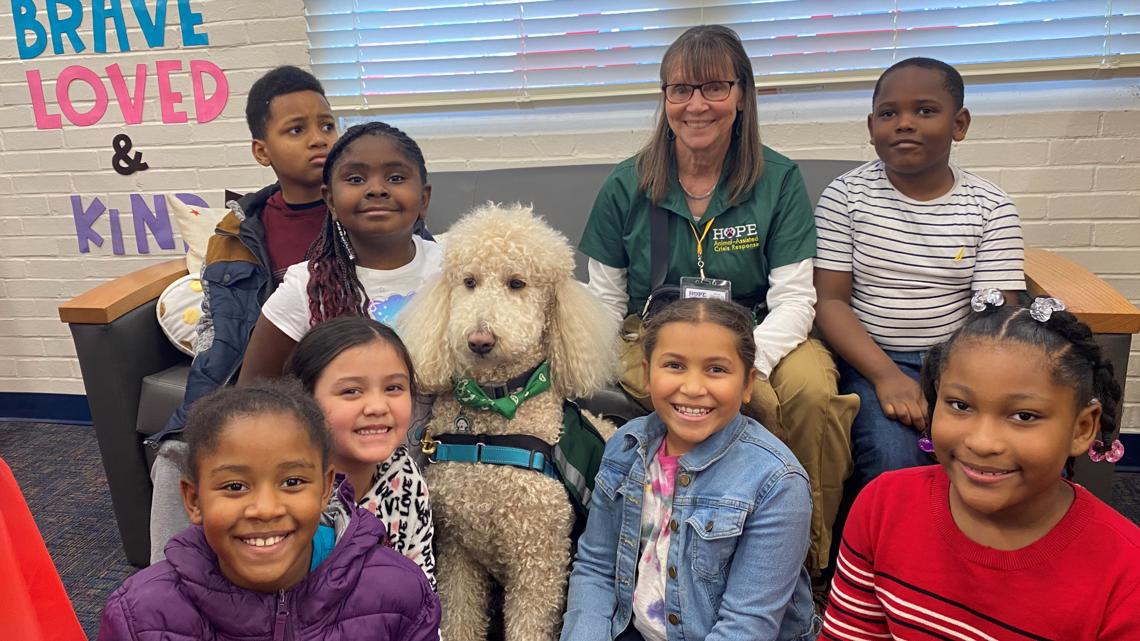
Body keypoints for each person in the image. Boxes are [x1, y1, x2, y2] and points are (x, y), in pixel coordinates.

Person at [579, 24, 856, 576]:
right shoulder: (625, 185)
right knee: (726, 396)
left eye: (714, 88)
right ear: (665, 100)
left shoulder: (778, 180)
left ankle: (805, 561)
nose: (695, 105)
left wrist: (750, 365)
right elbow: (603, 303)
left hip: (763, 327)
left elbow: (798, 299)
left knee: (811, 394)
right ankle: (697, 552)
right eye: (680, 90)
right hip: (656, 334)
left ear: (742, 95)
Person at [821, 298, 1140, 640]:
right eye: (960, 405)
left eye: (1024, 416)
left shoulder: (1125, 575)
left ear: (1081, 429)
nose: (983, 442)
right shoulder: (883, 506)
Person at [146, 65, 340, 564]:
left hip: (332, 387)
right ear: (262, 150)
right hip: (249, 386)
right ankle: (174, 586)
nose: (318, 139)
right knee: (174, 457)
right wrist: (206, 409)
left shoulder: (367, 210)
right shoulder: (234, 231)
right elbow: (216, 331)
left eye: (327, 125)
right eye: (296, 130)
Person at [814, 57, 1025, 491]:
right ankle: (882, 552)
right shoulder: (845, 197)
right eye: (889, 114)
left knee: (1001, 449)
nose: (904, 123)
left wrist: (955, 386)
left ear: (959, 123)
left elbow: (997, 315)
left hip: (960, 361)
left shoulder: (990, 206)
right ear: (872, 126)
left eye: (925, 111)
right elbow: (830, 301)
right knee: (893, 459)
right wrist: (886, 376)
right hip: (870, 360)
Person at [98, 381, 441, 641]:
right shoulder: (139, 617)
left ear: (325, 489)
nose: (264, 509)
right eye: (235, 486)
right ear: (194, 500)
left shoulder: (400, 592)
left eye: (292, 482)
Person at [562, 298, 818, 641]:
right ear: (647, 375)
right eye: (674, 365)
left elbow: (746, 626)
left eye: (716, 369)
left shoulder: (777, 483)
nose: (693, 388)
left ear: (746, 385)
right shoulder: (626, 445)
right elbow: (596, 568)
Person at [238, 121, 443, 383]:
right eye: (356, 179)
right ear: (331, 200)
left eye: (396, 178)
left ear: (424, 198)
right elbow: (252, 393)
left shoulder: (454, 268)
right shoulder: (305, 287)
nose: (377, 189)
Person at [285, 315, 436, 589]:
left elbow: (422, 587)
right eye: (352, 391)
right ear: (304, 401)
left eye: (393, 388)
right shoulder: (284, 493)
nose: (377, 407)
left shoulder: (406, 479)